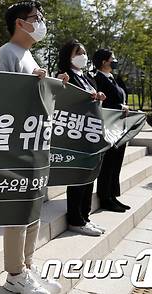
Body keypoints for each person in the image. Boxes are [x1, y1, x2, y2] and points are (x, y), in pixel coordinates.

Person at [0, 1, 65, 294]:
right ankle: (15, 274)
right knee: (18, 212)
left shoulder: (29, 56)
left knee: (32, 209)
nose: (41, 22)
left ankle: (28, 267)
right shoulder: (5, 54)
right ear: (20, 23)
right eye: (36, 17)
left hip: (34, 144)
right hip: (15, 146)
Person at [57, 40, 107, 237]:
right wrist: (62, 83)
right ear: (68, 56)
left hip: (91, 133)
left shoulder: (87, 77)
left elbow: (91, 98)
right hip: (76, 134)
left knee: (89, 176)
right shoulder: (65, 77)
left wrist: (99, 96)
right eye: (78, 52)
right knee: (78, 177)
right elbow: (62, 99)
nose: (83, 56)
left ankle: (85, 217)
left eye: (85, 52)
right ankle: (75, 220)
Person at [93, 49, 130, 212]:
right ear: (103, 62)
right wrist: (119, 107)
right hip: (108, 128)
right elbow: (100, 104)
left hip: (119, 128)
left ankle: (113, 195)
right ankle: (105, 197)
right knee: (108, 163)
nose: (115, 61)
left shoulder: (113, 79)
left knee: (117, 163)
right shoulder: (97, 79)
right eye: (112, 58)